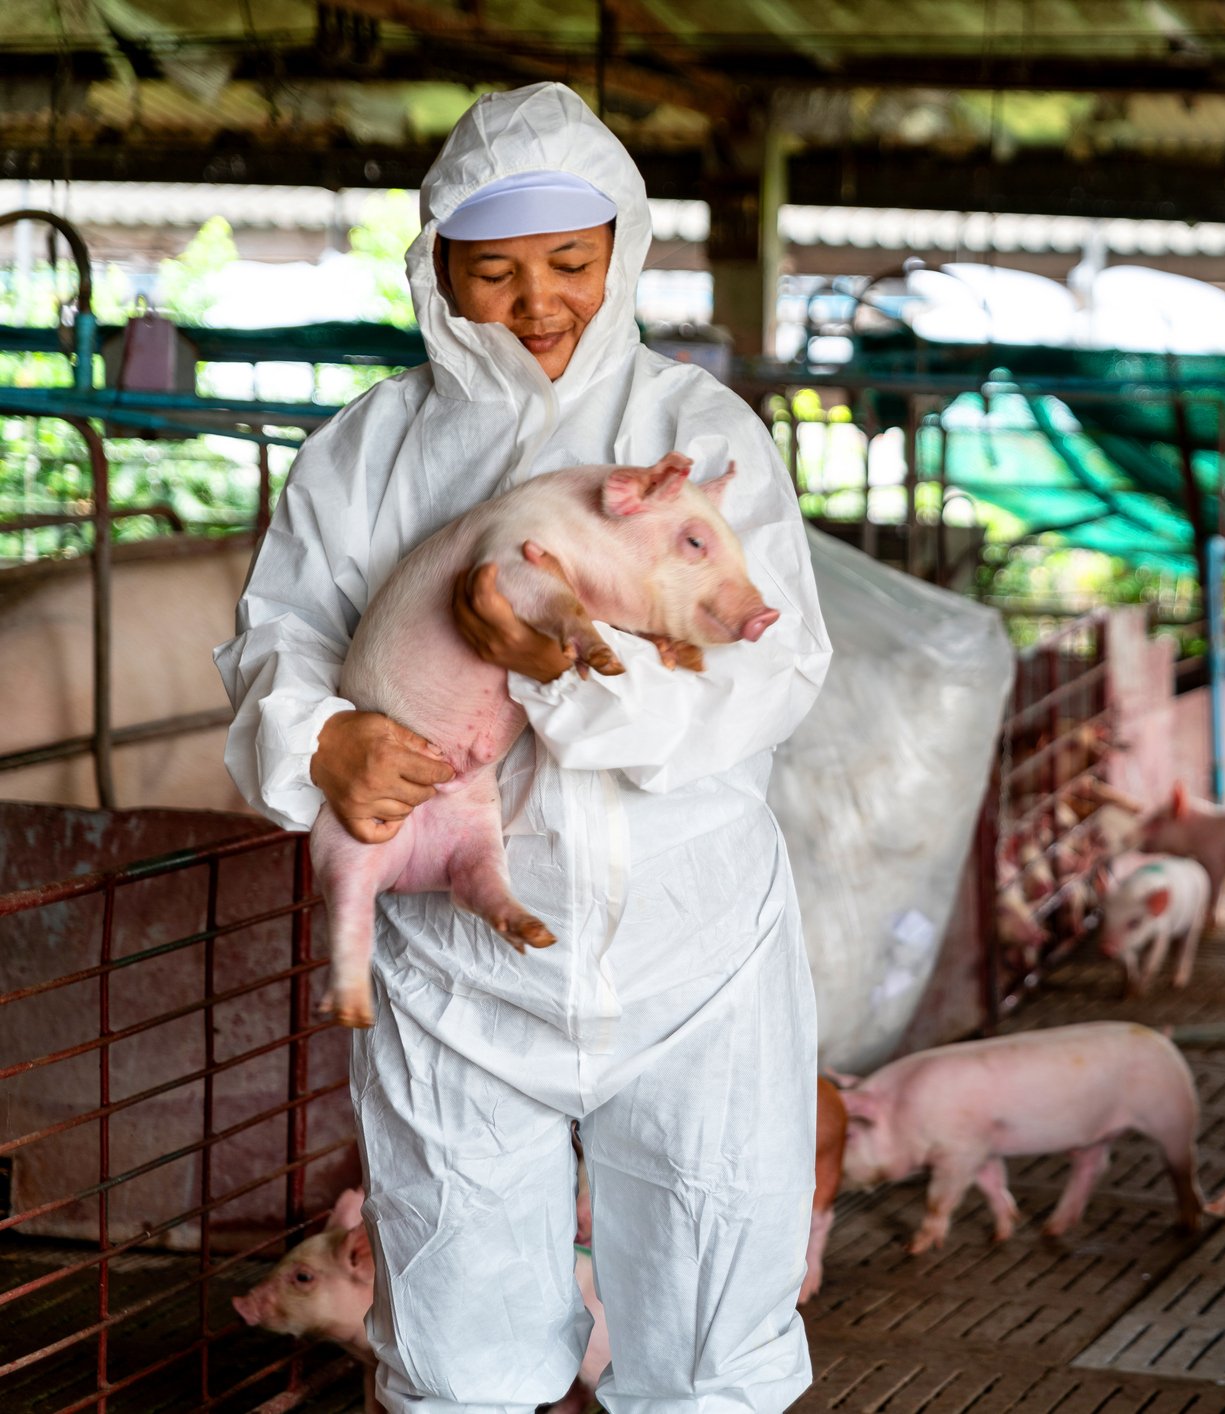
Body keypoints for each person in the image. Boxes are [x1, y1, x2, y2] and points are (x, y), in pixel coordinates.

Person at [215, 82, 832, 1413]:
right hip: (459, 974)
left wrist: (569, 679)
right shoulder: (367, 452)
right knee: (457, 1344)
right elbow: (277, 641)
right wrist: (324, 742)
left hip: (692, 959)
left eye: (569, 262)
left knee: (713, 1334)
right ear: (437, 268)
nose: (538, 301)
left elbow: (773, 669)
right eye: (493, 272)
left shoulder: (699, 437)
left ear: (624, 250)